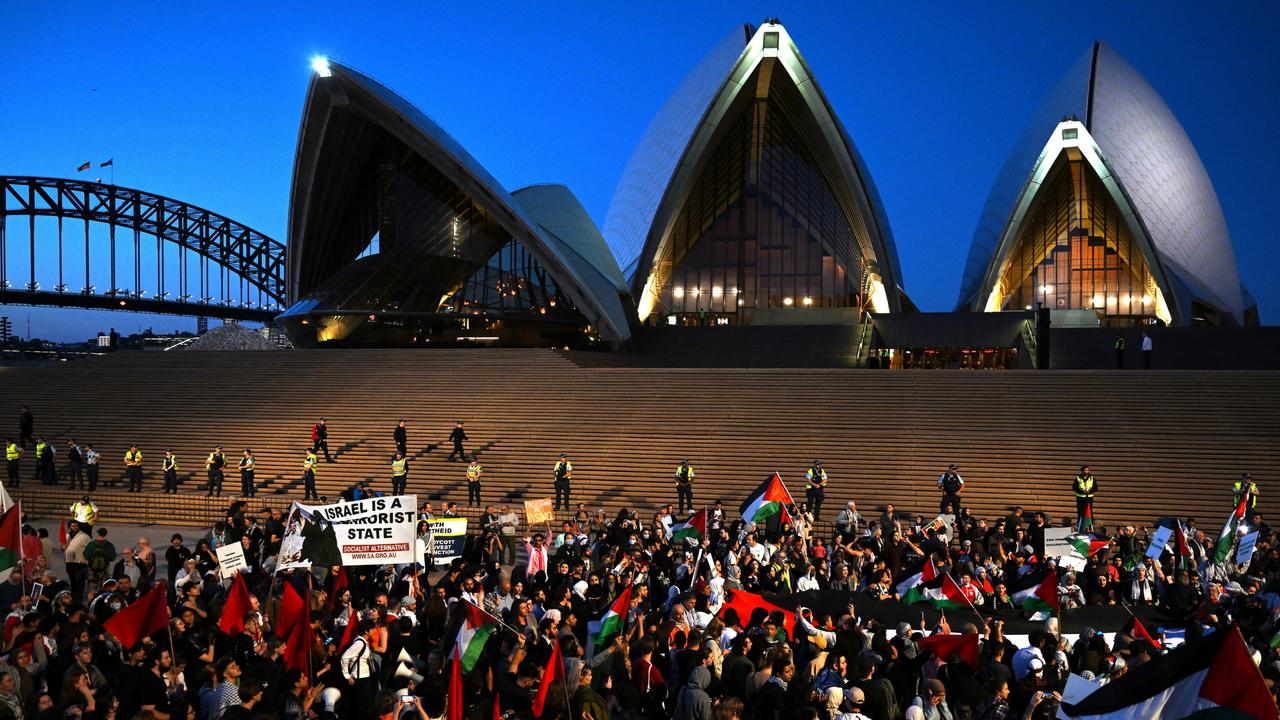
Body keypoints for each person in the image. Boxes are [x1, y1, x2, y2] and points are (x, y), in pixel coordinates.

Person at [1074, 466, 1097, 532]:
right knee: (1080, 512)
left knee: (1089, 512)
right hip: (1080, 498)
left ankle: (1090, 526)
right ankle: (1080, 525)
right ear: (1081, 471)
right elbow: (1074, 487)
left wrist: (1089, 491)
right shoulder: (1078, 478)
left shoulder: (1092, 478)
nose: (1086, 472)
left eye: (1087, 470)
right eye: (1084, 470)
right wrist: (1081, 491)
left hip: (1089, 498)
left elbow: (1096, 488)